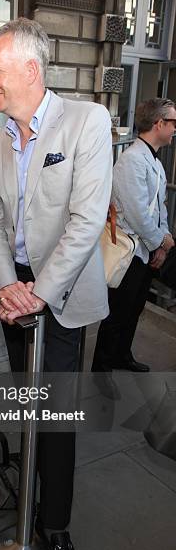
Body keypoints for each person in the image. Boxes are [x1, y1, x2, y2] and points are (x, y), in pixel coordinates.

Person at [0, 18, 113, 550]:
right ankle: (26, 505)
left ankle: (55, 530)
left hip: (59, 297)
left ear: (30, 71)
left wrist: (37, 292)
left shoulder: (88, 121)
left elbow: (86, 222)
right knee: (26, 413)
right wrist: (10, 285)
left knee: (55, 423)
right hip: (16, 294)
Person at [92, 98, 175, 373]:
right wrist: (161, 242)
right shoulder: (131, 161)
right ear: (158, 123)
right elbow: (138, 213)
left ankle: (121, 356)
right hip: (130, 251)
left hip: (145, 249)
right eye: (173, 122)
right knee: (117, 313)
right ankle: (101, 369)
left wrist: (162, 240)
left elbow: (159, 207)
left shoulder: (153, 160)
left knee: (134, 309)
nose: (175, 128)